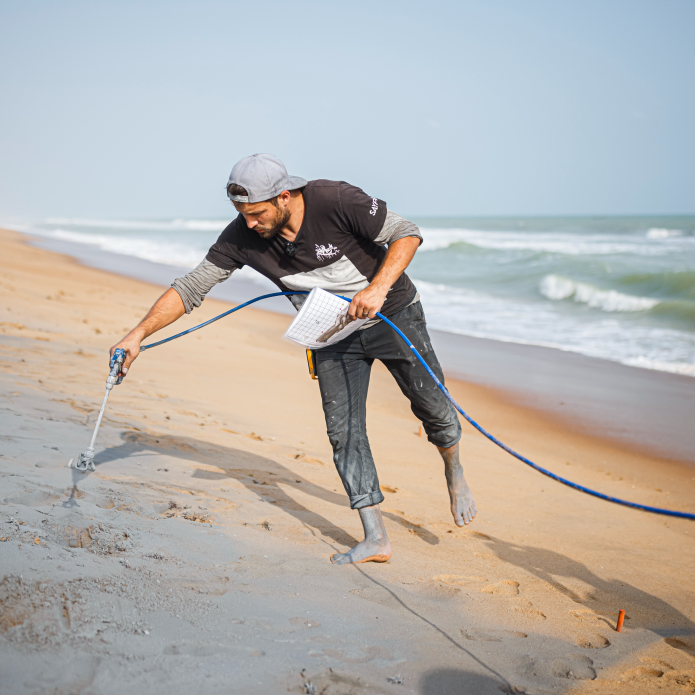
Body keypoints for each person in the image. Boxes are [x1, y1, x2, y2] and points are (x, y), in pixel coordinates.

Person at [111, 153, 477, 564]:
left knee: (434, 407)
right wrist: (137, 334)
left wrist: (377, 288)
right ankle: (376, 538)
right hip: (332, 333)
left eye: (256, 213)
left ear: (284, 197)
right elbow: (192, 286)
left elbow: (406, 233)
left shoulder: (336, 199)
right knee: (344, 433)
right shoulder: (242, 235)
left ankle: (453, 467)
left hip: (393, 315)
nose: (249, 224)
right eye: (241, 214)